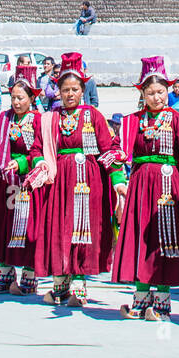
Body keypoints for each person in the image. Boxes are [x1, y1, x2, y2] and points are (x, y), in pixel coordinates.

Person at [112, 57, 179, 321]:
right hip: (141, 187)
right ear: (142, 94)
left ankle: (163, 301)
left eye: (161, 92)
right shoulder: (132, 122)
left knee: (166, 240)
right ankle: (141, 298)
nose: (157, 98)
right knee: (142, 240)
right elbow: (116, 153)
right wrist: (119, 180)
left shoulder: (177, 121)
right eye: (151, 93)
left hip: (168, 189)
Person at [34, 52, 127, 307]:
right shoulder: (51, 118)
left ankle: (79, 283)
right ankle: (60, 282)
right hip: (60, 182)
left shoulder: (93, 115)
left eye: (75, 89)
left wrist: (118, 180)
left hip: (88, 181)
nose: (70, 94)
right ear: (58, 91)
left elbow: (108, 149)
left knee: (83, 230)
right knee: (59, 228)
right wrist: (39, 164)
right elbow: (37, 148)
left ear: (83, 90)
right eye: (65, 90)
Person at [0, 65, 48, 296]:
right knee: (4, 225)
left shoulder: (38, 121)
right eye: (13, 98)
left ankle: (29, 277)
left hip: (28, 183)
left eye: (21, 98)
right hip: (6, 182)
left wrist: (22, 163)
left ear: (32, 98)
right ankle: (5, 274)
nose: (16, 102)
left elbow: (41, 150)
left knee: (28, 227)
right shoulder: (3, 119)